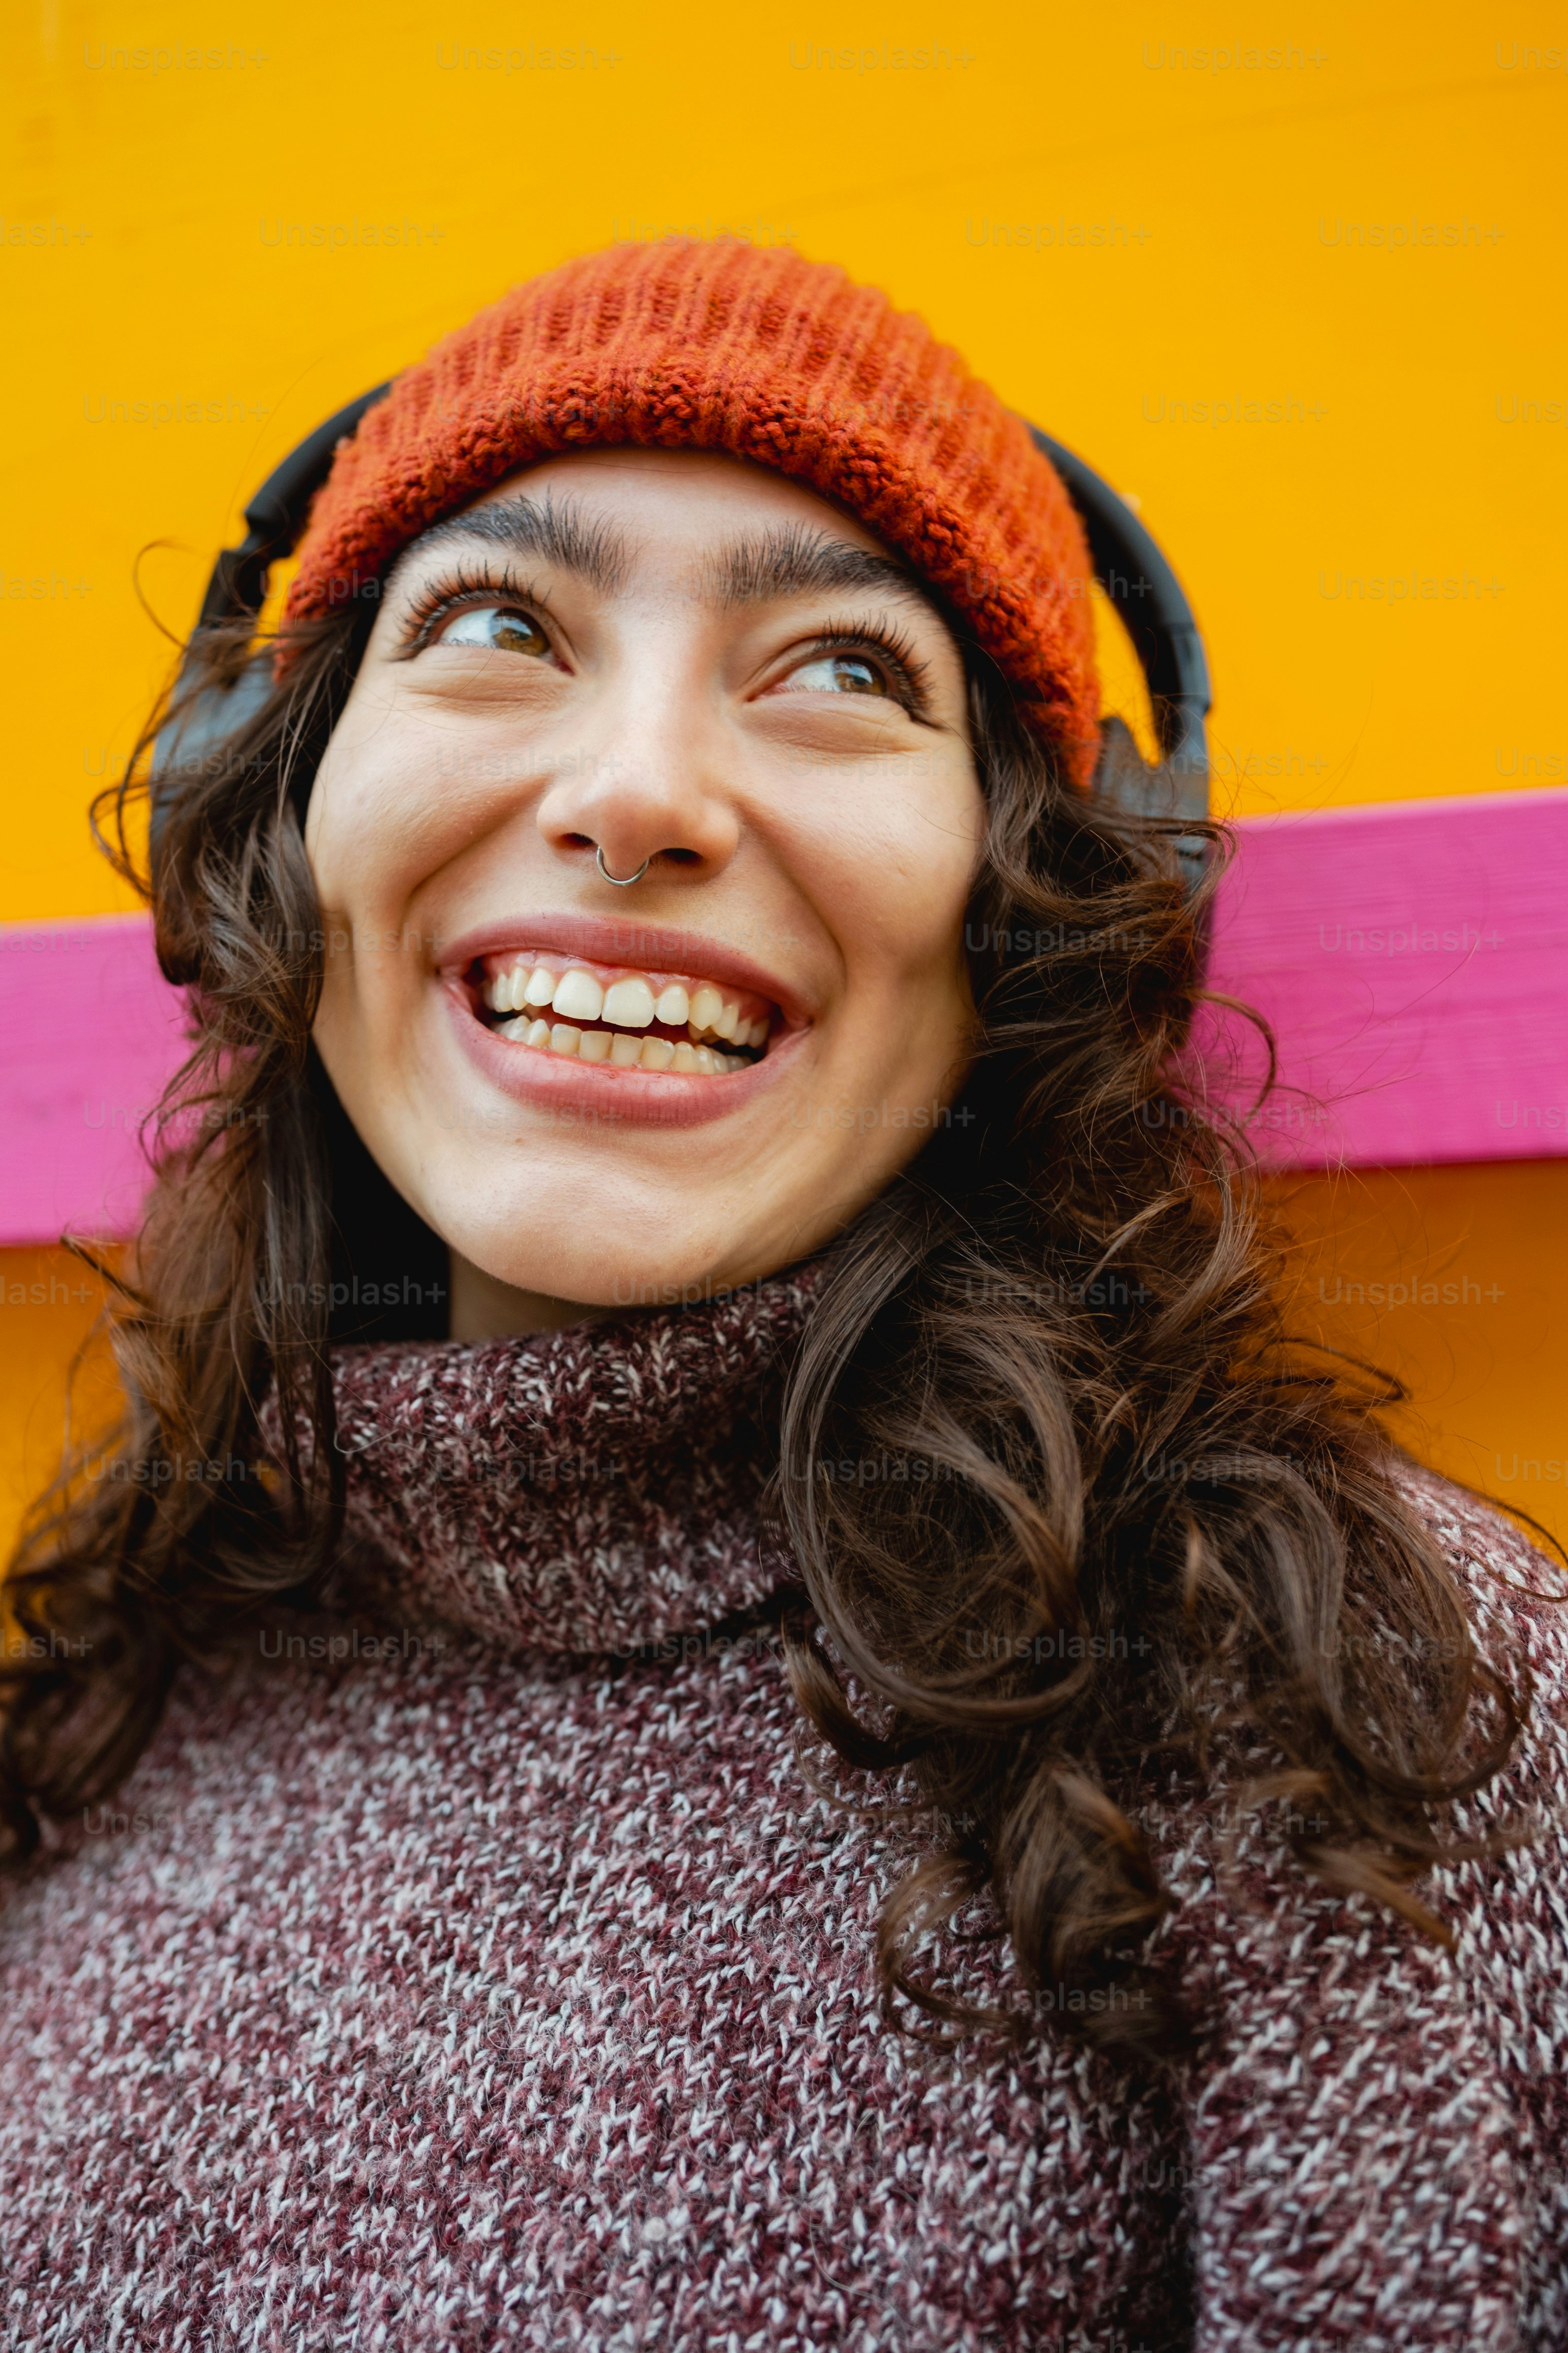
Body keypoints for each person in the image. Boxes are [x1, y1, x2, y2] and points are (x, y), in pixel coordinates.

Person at [2, 240, 1563, 2352]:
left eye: (837, 672)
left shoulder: (1355, 1690)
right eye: (495, 627)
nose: (637, 792)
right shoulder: (107, 1694)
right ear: (267, 828)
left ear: (1028, 913)